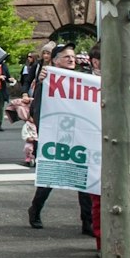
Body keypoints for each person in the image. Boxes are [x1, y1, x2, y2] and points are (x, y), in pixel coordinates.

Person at [27, 44, 93, 234]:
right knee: (51, 177)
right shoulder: (47, 81)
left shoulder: (83, 79)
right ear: (55, 61)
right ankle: (35, 209)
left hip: (80, 135)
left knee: (85, 179)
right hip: (57, 136)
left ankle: (87, 221)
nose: (71, 60)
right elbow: (37, 111)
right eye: (66, 57)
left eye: (73, 57)